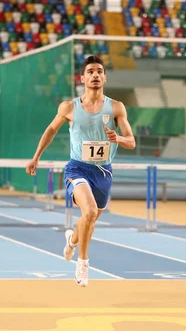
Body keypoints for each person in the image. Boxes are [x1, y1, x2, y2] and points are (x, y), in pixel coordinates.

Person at [25, 55, 136, 287]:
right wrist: (36, 157)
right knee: (90, 211)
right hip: (77, 168)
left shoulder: (116, 107)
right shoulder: (69, 107)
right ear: (83, 78)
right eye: (91, 71)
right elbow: (50, 131)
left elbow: (132, 142)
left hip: (103, 172)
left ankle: (72, 241)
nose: (95, 75)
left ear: (104, 77)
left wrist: (119, 138)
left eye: (99, 71)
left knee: (90, 217)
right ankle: (83, 264)